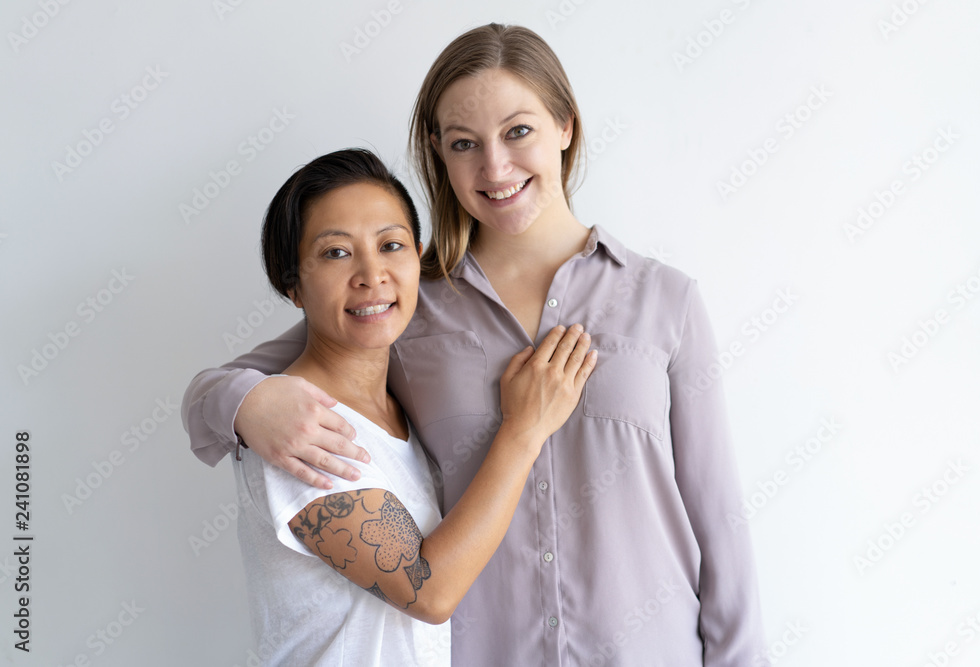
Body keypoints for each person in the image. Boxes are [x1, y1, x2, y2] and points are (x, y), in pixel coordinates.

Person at [183, 23, 767, 666]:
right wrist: (245, 403)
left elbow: (720, 523)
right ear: (438, 152)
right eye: (465, 143)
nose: (495, 167)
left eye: (518, 131)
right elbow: (233, 386)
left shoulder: (665, 300)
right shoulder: (402, 304)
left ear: (565, 126)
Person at [231, 147, 596, 665]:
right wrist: (524, 430)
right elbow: (429, 590)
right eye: (336, 253)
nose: (371, 274)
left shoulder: (399, 411)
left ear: (417, 259)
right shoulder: (299, 429)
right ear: (293, 283)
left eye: (391, 245)